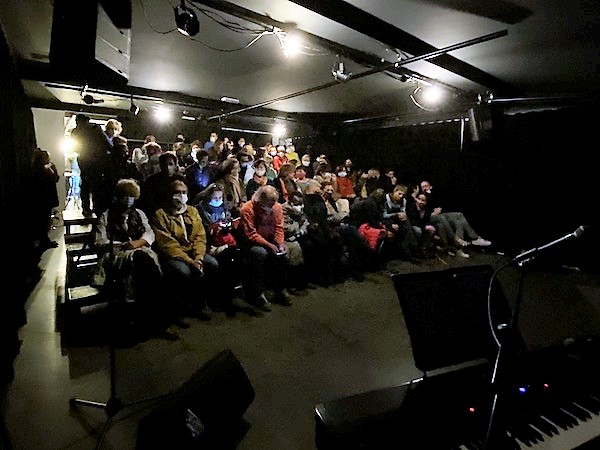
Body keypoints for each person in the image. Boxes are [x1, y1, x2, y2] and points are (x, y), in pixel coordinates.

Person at [92, 178, 176, 340]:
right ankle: (149, 320)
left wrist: (139, 242)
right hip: (117, 255)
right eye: (125, 195)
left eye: (131, 196)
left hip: (139, 251)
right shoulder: (107, 215)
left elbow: (149, 233)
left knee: (144, 262)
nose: (128, 199)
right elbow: (100, 241)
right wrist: (123, 245)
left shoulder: (139, 214)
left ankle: (152, 318)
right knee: (142, 264)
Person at [151, 180, 215, 321]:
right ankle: (178, 309)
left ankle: (200, 303)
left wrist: (198, 258)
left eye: (184, 192)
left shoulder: (192, 211)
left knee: (211, 263)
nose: (180, 196)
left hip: (193, 252)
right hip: (174, 255)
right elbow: (167, 244)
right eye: (177, 192)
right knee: (182, 271)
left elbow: (200, 236)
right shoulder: (160, 215)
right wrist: (190, 261)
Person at [238, 185, 292, 310]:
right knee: (260, 254)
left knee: (283, 255)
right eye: (270, 201)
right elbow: (251, 234)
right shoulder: (248, 209)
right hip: (250, 242)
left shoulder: (276, 207)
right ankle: (257, 294)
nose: (273, 205)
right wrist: (269, 245)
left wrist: (280, 243)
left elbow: (279, 227)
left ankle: (280, 289)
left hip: (269, 239)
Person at [420, 180, 492, 248]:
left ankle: (475, 238)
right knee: (442, 218)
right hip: (430, 217)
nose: (424, 188)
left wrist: (438, 207)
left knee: (459, 217)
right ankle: (456, 239)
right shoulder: (421, 196)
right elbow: (423, 210)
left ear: (430, 187)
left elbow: (439, 203)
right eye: (422, 187)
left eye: (426, 186)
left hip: (440, 214)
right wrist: (432, 213)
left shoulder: (433, 195)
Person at [30, 148, 60, 253]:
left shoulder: (44, 168)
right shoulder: (40, 170)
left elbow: (56, 178)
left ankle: (44, 240)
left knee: (45, 220)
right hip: (43, 198)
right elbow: (52, 179)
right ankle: (44, 241)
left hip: (46, 198)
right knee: (43, 220)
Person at [137, 152, 185, 217]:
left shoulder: (181, 180)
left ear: (175, 165)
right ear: (160, 165)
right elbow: (147, 201)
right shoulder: (151, 181)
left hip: (179, 212)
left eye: (170, 164)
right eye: (164, 164)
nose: (168, 167)